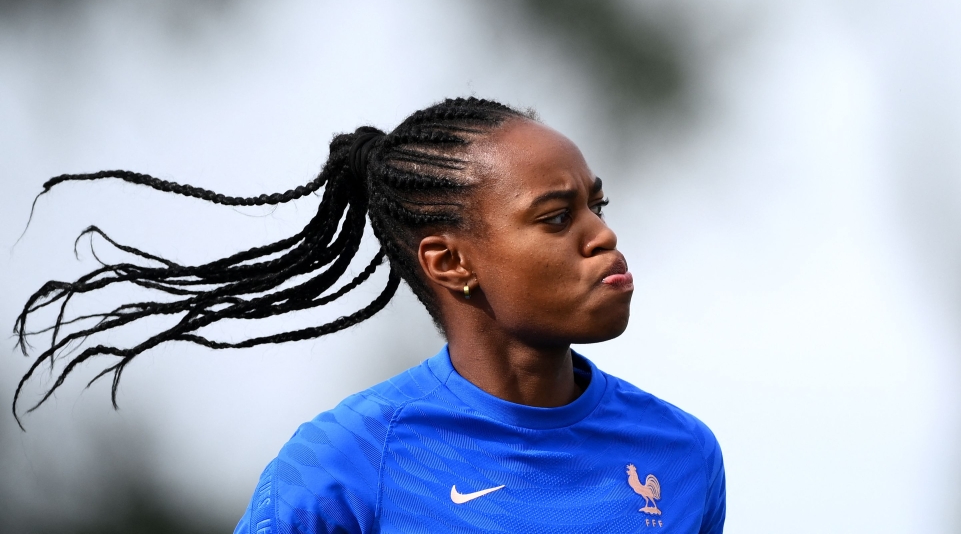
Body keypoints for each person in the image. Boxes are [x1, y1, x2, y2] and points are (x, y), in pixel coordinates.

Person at [14, 97, 725, 533]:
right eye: (556, 215)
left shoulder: (681, 455)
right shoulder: (346, 463)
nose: (601, 234)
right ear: (451, 263)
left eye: (596, 206)